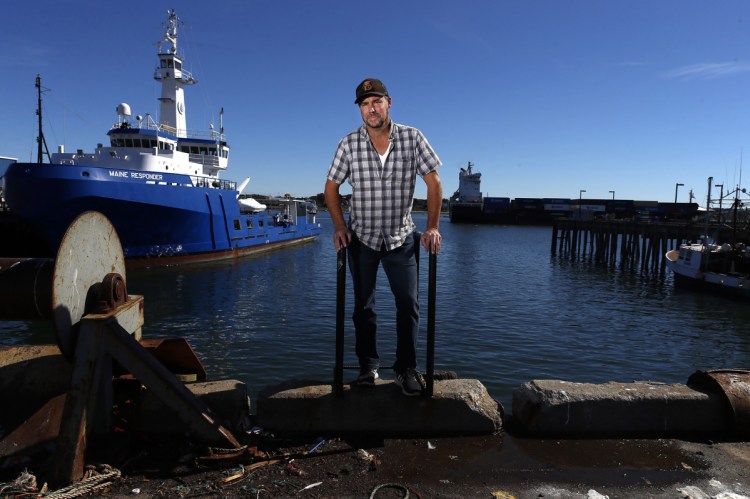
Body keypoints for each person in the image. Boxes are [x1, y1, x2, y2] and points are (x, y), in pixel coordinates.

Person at [324, 78, 443, 396]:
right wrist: (339, 226)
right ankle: (368, 368)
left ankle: (406, 369)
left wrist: (432, 227)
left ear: (389, 102)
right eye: (364, 104)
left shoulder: (412, 137)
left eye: (376, 101)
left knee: (408, 305)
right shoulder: (349, 143)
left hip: (401, 240)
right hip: (361, 239)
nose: (371, 108)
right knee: (363, 307)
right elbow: (331, 187)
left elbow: (433, 183)